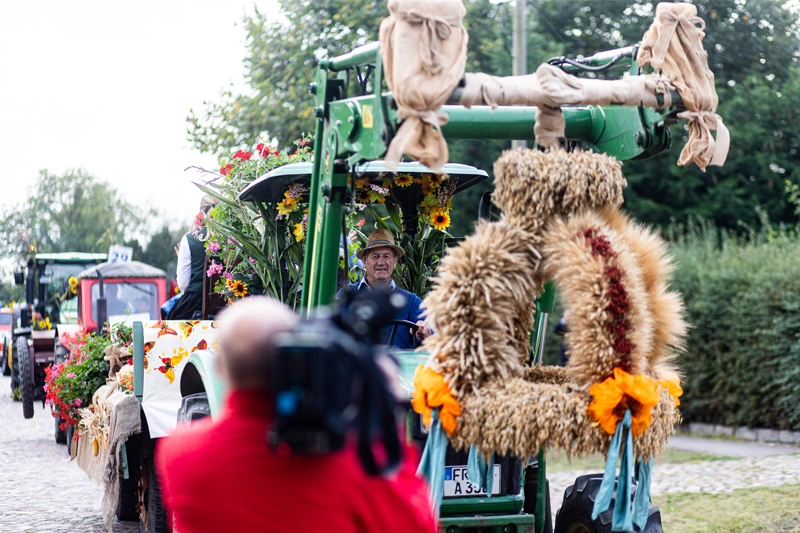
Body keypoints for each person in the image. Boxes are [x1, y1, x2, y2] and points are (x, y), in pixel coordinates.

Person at [156, 297, 436, 533]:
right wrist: (383, 414)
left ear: (220, 368)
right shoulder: (354, 461)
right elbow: (417, 524)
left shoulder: (178, 454)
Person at [341, 229, 431, 349]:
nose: (381, 262)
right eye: (375, 256)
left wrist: (425, 328)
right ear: (365, 261)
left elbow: (430, 329)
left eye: (386, 256)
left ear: (395, 261)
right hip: (359, 364)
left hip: (400, 366)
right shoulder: (349, 295)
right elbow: (332, 327)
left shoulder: (410, 301)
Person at [167, 195, 217, 320]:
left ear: (201, 212)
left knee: (169, 322)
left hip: (195, 303)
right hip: (226, 302)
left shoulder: (189, 239)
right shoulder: (230, 237)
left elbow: (183, 284)